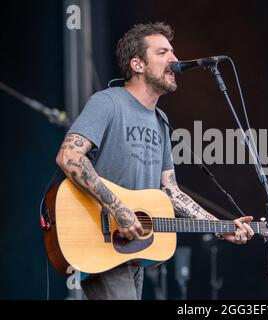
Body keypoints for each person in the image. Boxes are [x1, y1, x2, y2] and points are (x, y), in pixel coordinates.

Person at [55, 22, 254, 300]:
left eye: (172, 51)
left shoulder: (161, 122)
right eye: (163, 53)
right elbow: (69, 155)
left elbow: (170, 191)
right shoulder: (108, 102)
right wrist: (118, 208)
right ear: (137, 64)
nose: (174, 59)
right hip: (98, 236)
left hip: (131, 249)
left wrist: (221, 227)